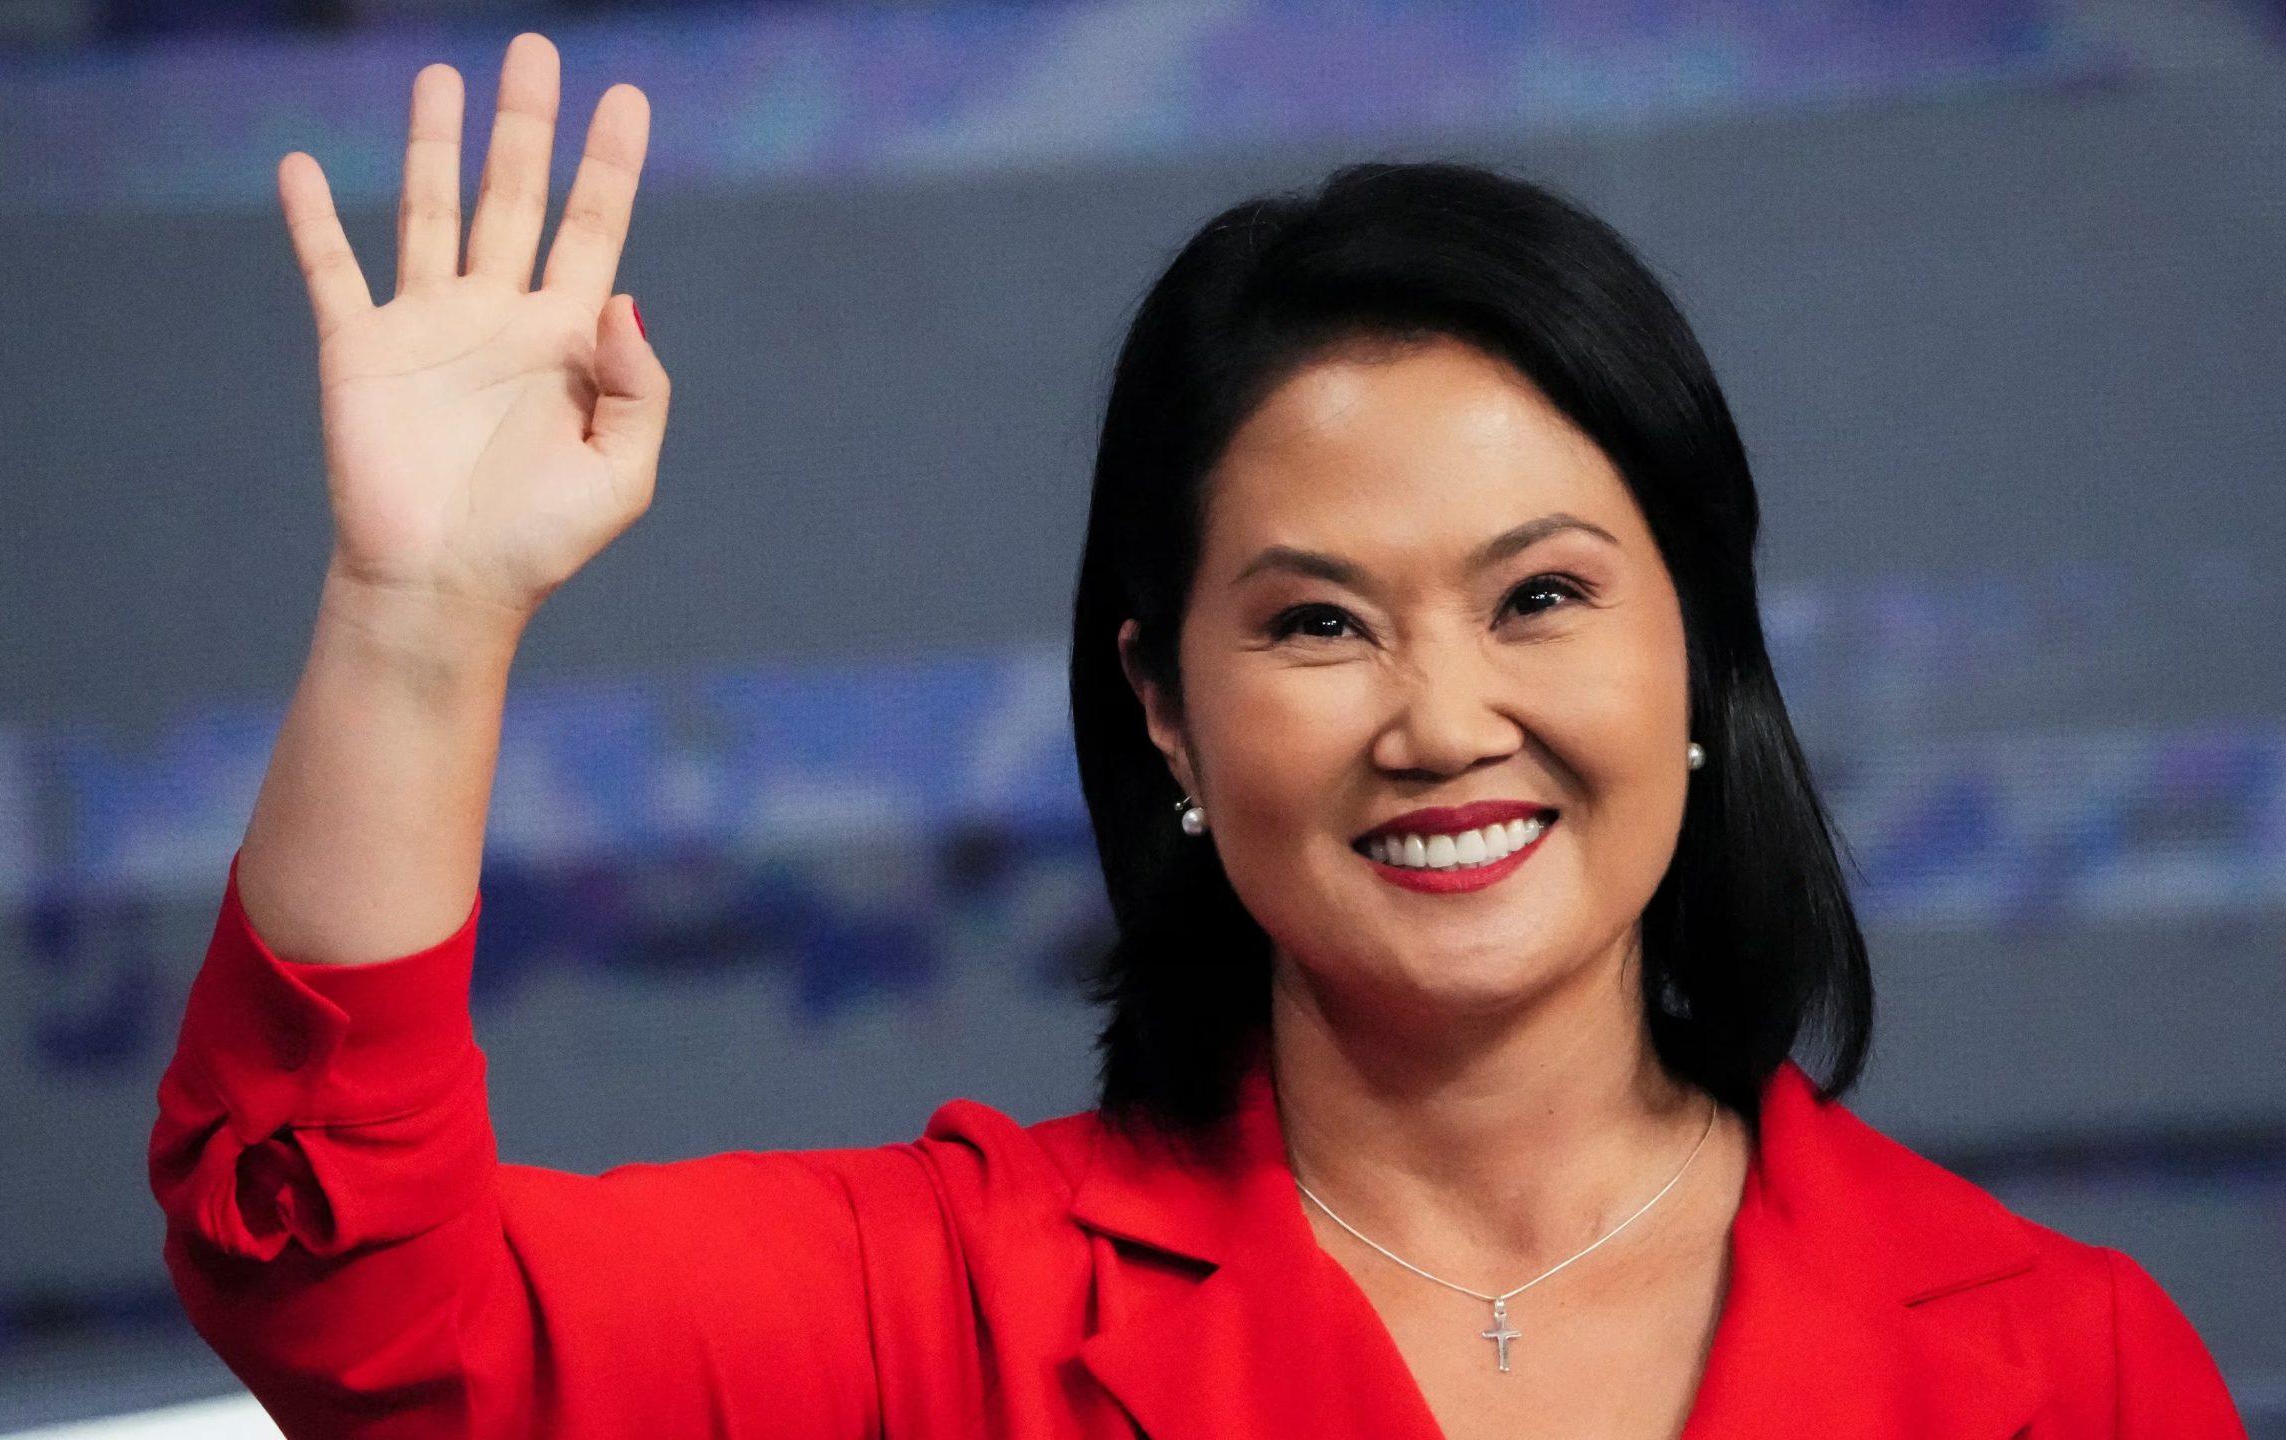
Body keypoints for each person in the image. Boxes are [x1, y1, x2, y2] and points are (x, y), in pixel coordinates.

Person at [148, 31, 2248, 1440]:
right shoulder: (948, 1317)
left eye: (1538, 598)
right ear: (1163, 702)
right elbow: (355, 1292)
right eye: (1317, 622)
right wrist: (418, 623)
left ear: (1693, 655)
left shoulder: (2054, 1369)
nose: (1441, 722)